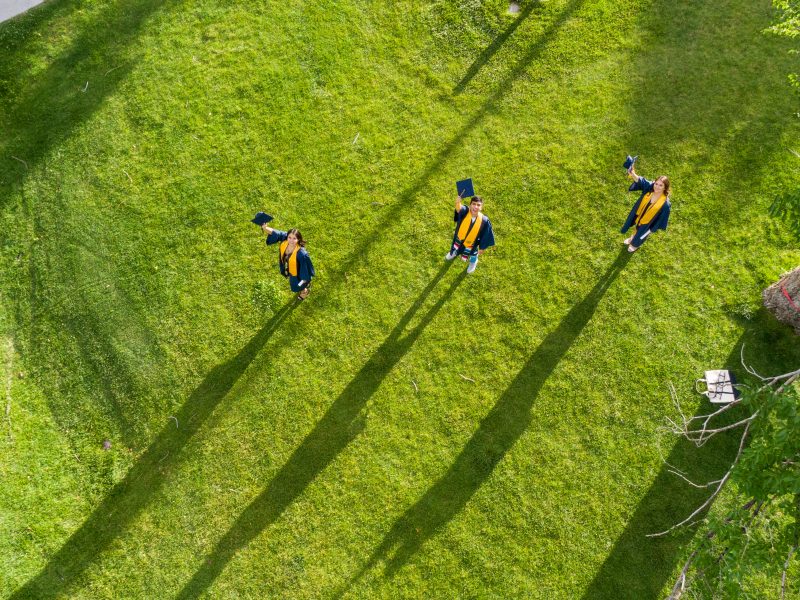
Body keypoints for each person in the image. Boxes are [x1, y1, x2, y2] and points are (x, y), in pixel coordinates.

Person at [620, 166, 671, 252]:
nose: (657, 187)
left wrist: (652, 229)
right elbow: (641, 181)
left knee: (642, 235)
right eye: (656, 184)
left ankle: (635, 245)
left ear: (665, 187)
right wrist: (632, 173)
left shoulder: (665, 204)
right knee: (637, 228)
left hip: (649, 223)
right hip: (640, 215)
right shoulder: (649, 189)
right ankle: (632, 238)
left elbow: (662, 218)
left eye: (661, 185)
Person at [261, 225, 315, 299]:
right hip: (289, 266)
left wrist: (305, 280)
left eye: (294, 238)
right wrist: (265, 228)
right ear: (287, 237)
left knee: (296, 285)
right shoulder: (285, 240)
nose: (291, 241)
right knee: (294, 282)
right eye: (289, 237)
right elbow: (277, 233)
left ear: (298, 239)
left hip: (298, 273)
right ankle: (304, 287)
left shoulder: (302, 254)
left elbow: (305, 269)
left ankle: (304, 290)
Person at [444, 195, 495, 273]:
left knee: (473, 254)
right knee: (456, 246)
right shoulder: (465, 212)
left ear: (481, 207)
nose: (475, 206)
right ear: (470, 205)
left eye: (478, 205)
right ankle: (454, 253)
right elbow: (459, 208)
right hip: (460, 238)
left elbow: (486, 235)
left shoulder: (484, 220)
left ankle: (473, 262)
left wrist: (482, 247)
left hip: (472, 243)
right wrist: (458, 202)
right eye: (474, 204)